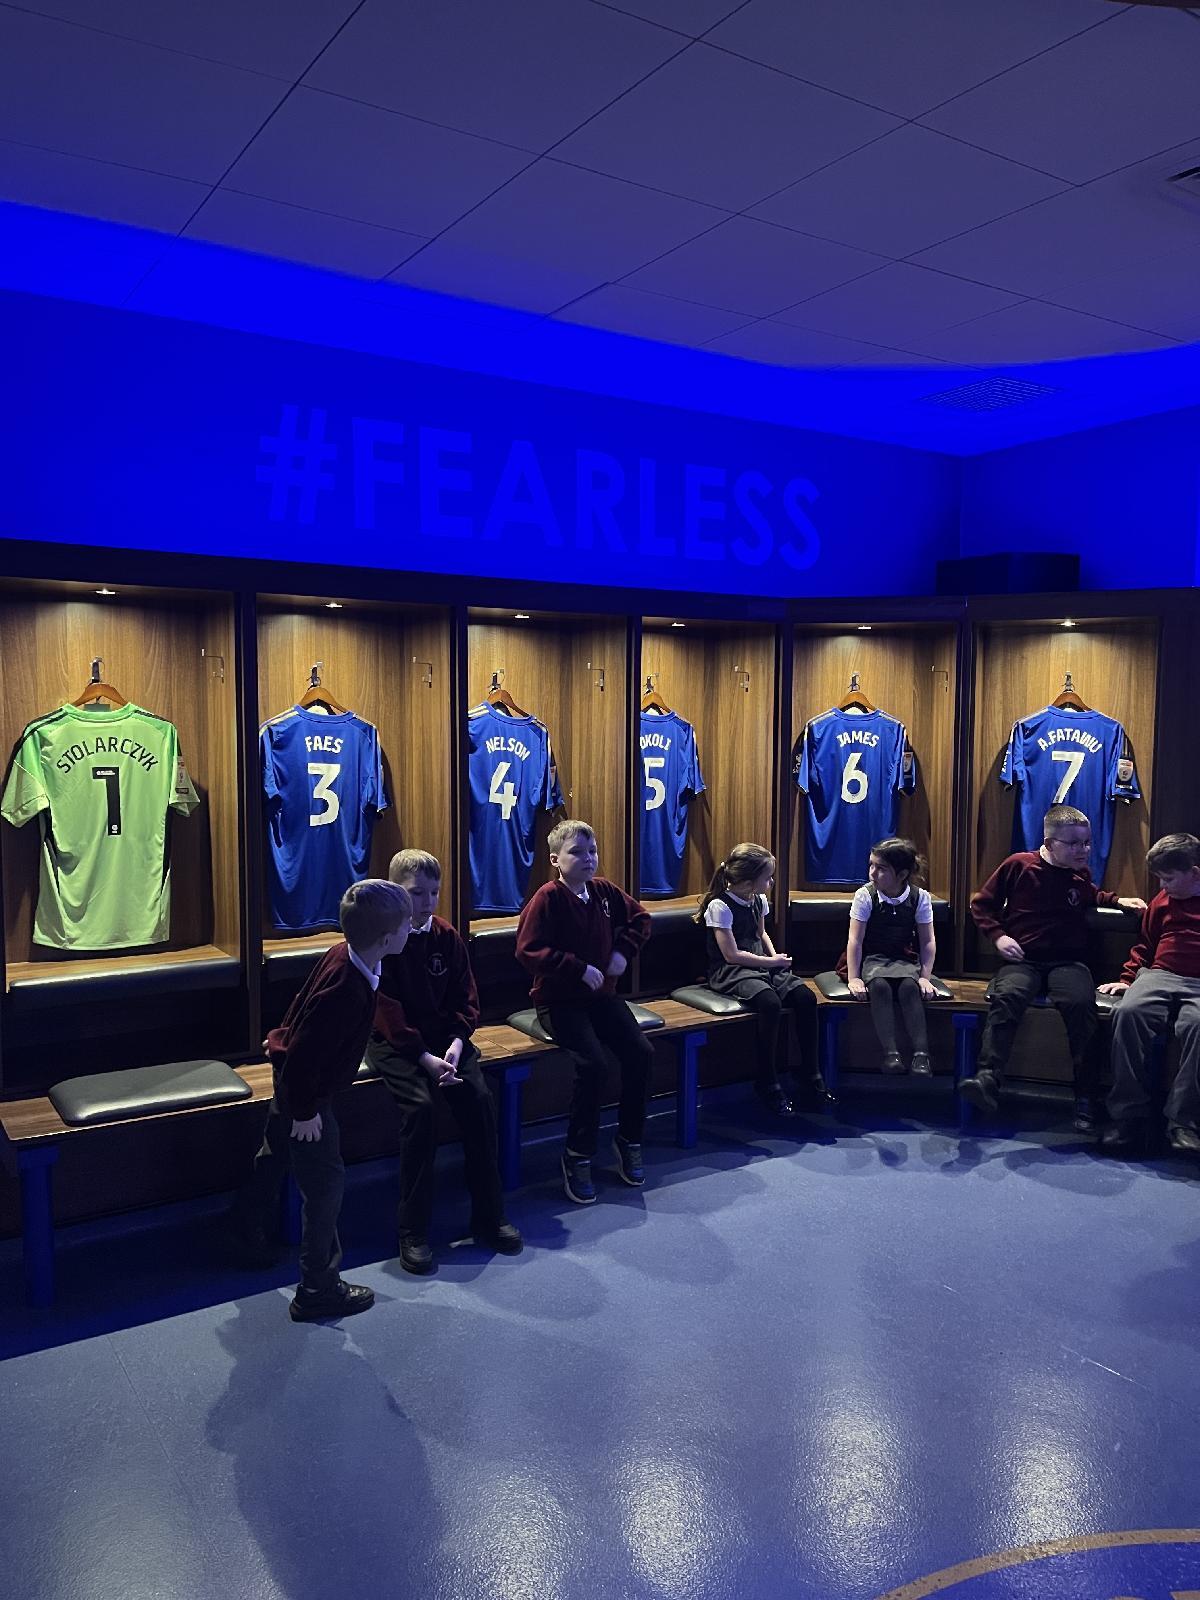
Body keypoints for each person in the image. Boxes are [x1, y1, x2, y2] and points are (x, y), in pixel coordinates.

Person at [235, 879, 413, 1322]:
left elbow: (302, 1014)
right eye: (406, 924)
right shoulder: (346, 988)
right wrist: (306, 1111)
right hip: (307, 1096)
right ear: (386, 938)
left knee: (273, 1155)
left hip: (296, 1084)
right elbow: (305, 1055)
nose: (412, 928)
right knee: (325, 1188)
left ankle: (241, 1230)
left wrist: (284, 1048)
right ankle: (317, 1288)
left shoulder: (346, 956)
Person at [367, 849, 523, 1272]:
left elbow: (465, 997)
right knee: (420, 1111)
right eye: (417, 892)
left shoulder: (447, 936)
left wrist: (455, 1043)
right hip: (397, 1045)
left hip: (446, 1042)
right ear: (394, 891)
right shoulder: (383, 939)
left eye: (434, 892)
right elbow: (386, 1012)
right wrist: (424, 1058)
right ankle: (413, 1230)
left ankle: (489, 1216)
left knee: (479, 1101)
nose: (428, 901)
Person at [959, 804, 1145, 1130]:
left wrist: (1117, 901)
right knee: (1007, 998)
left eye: (1086, 843)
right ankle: (988, 1078)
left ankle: (1086, 1097)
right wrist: (998, 937)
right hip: (1024, 959)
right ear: (1049, 843)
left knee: (1081, 1006)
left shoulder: (1079, 873)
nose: (1083, 850)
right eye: (1073, 844)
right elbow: (982, 905)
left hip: (1068, 961)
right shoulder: (1019, 865)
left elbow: (1090, 894)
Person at [515, 819, 653, 1205]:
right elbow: (527, 950)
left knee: (641, 1053)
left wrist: (622, 952)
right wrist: (576, 968)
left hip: (601, 998)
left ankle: (629, 1139)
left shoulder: (604, 891)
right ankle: (578, 1154)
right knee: (594, 1065)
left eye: (592, 851)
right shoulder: (548, 898)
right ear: (556, 860)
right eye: (577, 852)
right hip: (558, 1001)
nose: (588, 858)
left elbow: (641, 920)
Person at [696, 842, 831, 1116]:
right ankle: (767, 1080)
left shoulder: (757, 900)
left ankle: (811, 1074)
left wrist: (774, 957)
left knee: (805, 997)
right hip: (730, 971)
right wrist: (771, 962)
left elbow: (761, 934)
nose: (772, 882)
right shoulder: (720, 906)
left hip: (760, 964)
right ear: (748, 882)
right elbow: (731, 955)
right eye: (768, 877)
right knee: (769, 1003)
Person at [1099, 833, 1200, 1157]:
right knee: (1127, 1012)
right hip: (1160, 974)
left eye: (1169, 879)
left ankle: (1182, 1121)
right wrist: (1128, 979)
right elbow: (1145, 944)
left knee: (1198, 1026)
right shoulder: (1163, 901)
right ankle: (1128, 1115)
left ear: (1194, 873)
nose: (1162, 886)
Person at [843, 838, 937, 1075]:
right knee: (880, 987)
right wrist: (854, 978)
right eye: (871, 865)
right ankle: (891, 1054)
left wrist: (925, 977)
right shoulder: (866, 895)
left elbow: (927, 941)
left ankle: (921, 1056)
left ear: (902, 874)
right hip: (872, 957)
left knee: (909, 987)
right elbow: (855, 940)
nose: (873, 873)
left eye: (881, 868)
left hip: (903, 957)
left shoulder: (919, 897)